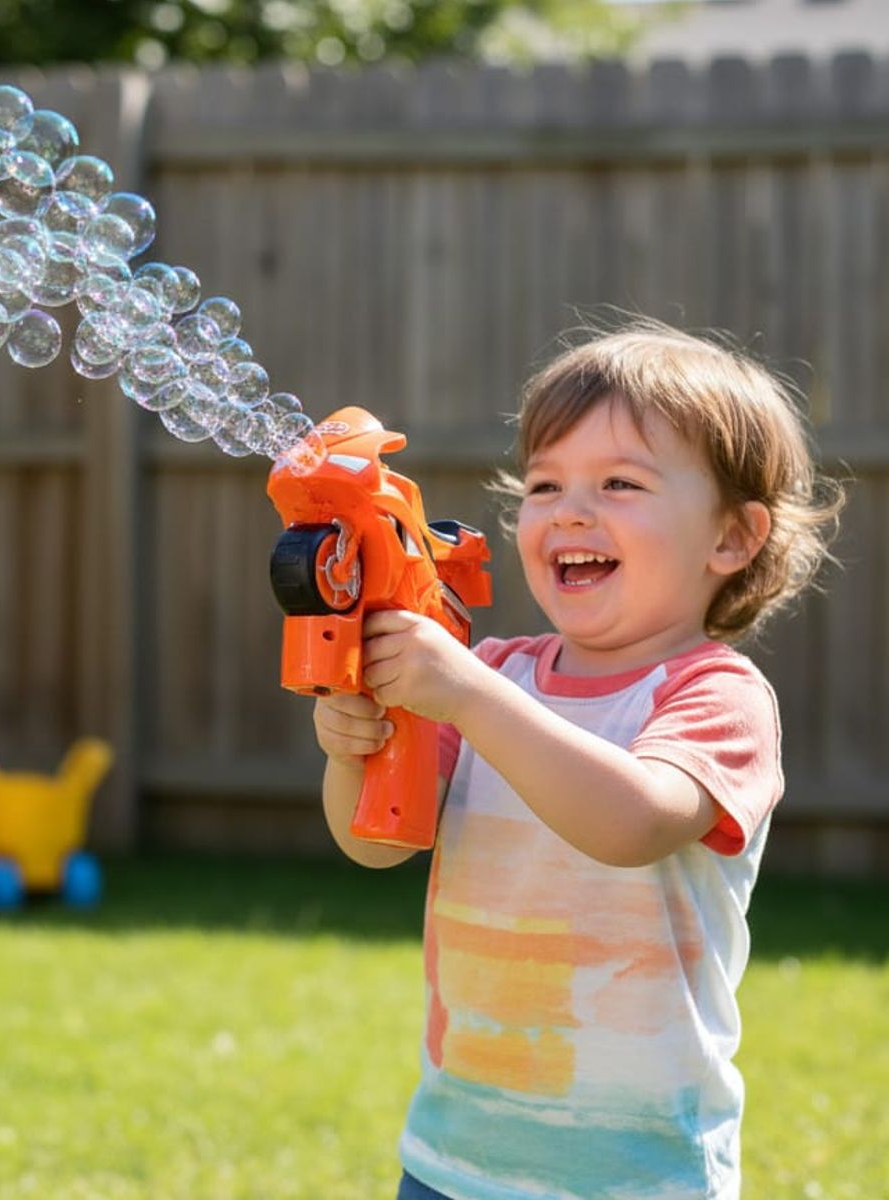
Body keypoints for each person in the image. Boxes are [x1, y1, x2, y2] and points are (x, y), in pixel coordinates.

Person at [313, 320, 844, 1200]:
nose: (568, 510)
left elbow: (629, 824)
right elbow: (375, 843)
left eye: (620, 483)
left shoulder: (714, 695)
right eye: (544, 484)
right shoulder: (493, 676)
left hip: (636, 1175)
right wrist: (352, 750)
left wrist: (467, 696)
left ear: (732, 538)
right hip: (454, 1160)